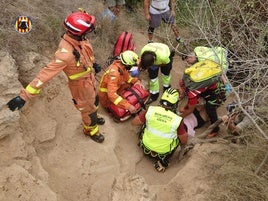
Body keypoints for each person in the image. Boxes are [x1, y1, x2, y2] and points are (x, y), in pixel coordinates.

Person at [6, 10, 105, 143]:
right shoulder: (65, 54)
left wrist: (94, 64)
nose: (89, 34)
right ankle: (91, 130)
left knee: (95, 100)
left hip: (90, 80)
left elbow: (87, 55)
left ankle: (94, 115)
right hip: (80, 87)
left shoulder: (81, 40)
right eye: (87, 31)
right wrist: (24, 96)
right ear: (79, 32)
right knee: (87, 109)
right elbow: (45, 74)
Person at [131, 88, 188, 172]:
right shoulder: (177, 120)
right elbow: (184, 140)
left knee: (145, 123)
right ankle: (163, 162)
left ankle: (143, 143)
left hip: (145, 147)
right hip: (162, 153)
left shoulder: (151, 110)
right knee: (183, 130)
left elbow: (134, 123)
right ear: (175, 103)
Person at [98, 50, 141, 114]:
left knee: (130, 84)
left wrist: (136, 81)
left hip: (113, 90)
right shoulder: (115, 74)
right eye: (132, 65)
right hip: (106, 97)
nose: (133, 67)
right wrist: (128, 106)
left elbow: (128, 78)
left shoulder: (122, 67)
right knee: (122, 109)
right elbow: (111, 95)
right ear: (128, 64)